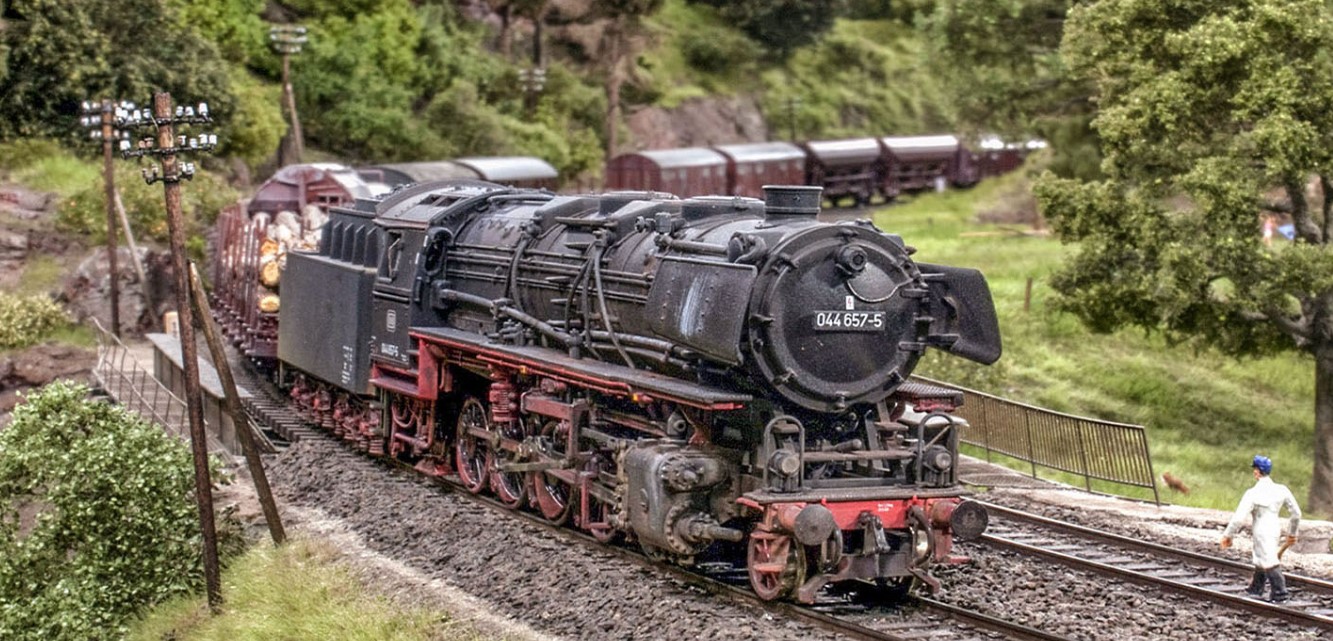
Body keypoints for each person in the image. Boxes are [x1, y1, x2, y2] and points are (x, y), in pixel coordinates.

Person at [1219, 455, 1301, 602]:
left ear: (1256, 472)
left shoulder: (1252, 493)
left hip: (1261, 529)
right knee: (1261, 556)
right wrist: (1292, 532)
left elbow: (1238, 518)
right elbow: (1296, 513)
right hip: (1275, 527)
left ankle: (1280, 594)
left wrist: (1228, 535)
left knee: (1269, 559)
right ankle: (1256, 588)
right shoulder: (1282, 490)